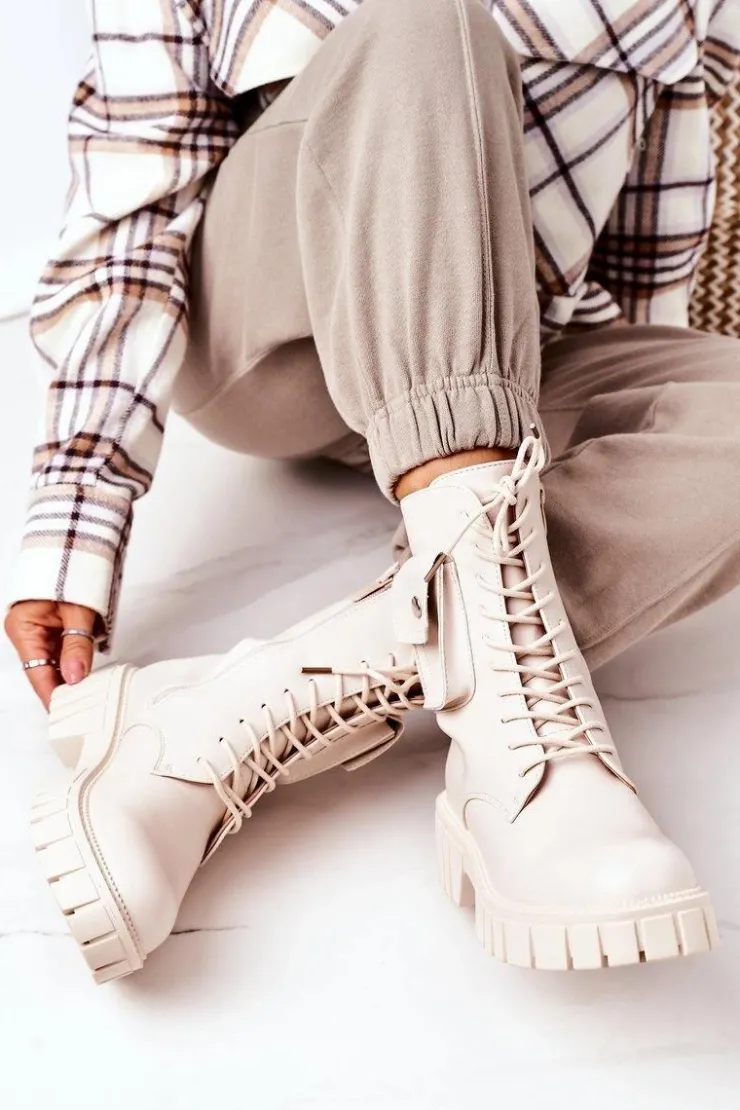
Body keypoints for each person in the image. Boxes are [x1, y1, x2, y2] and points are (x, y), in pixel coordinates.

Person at [11, 0, 740, 982]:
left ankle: (220, 721)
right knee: (424, 20)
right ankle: (526, 762)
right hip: (275, 340)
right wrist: (78, 503)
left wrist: (630, 441)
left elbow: (658, 200)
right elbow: (137, 202)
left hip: (514, 347)